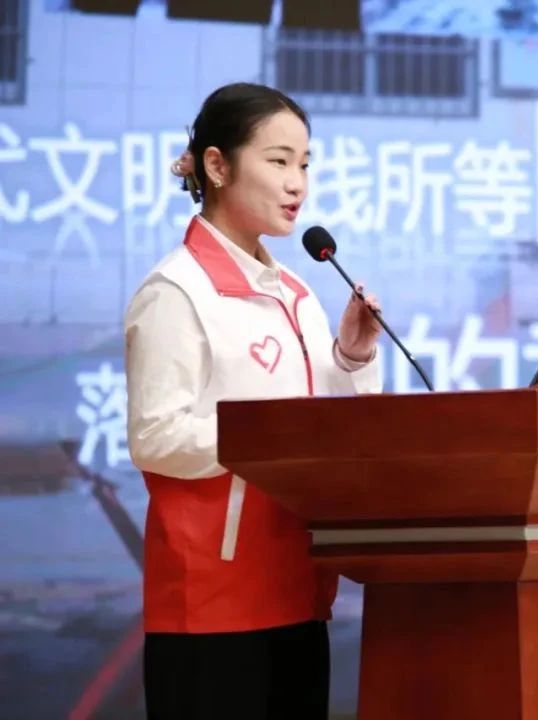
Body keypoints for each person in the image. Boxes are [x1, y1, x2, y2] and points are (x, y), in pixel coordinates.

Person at [124, 82, 383, 719]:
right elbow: (155, 437)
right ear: (217, 166)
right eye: (278, 161)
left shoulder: (295, 290)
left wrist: (351, 357)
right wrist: (270, 437)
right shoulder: (175, 292)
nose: (297, 183)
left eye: (305, 164)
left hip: (297, 585)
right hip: (212, 602)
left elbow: (328, 424)